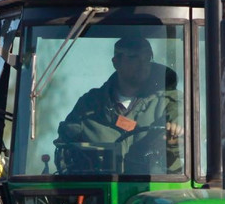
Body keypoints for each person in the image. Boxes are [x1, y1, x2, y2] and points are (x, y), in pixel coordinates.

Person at [56, 36, 183, 174]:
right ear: (116, 62)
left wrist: (173, 142)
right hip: (103, 192)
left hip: (154, 190)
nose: (143, 63)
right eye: (134, 57)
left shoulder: (170, 102)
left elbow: (187, 137)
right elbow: (64, 151)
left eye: (147, 57)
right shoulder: (89, 105)